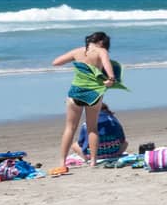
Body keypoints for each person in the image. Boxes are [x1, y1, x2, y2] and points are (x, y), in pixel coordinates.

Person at [49, 32, 124, 174]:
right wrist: (111, 79)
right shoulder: (101, 51)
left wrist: (78, 63)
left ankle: (62, 162)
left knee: (69, 128)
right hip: (93, 93)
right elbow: (109, 71)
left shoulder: (77, 51)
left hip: (76, 92)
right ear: (101, 42)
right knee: (92, 128)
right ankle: (93, 161)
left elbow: (56, 62)